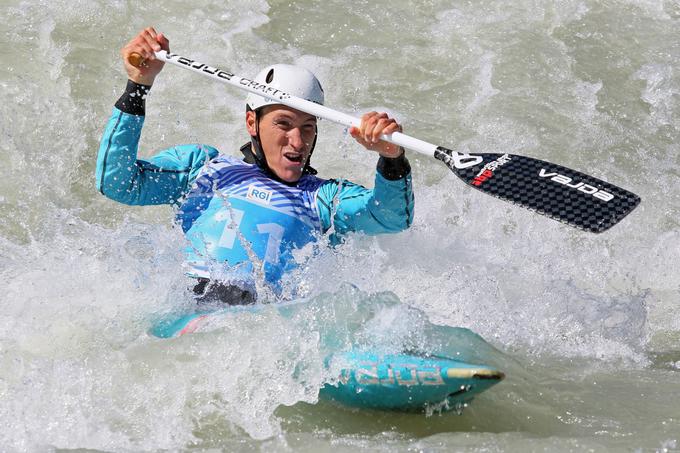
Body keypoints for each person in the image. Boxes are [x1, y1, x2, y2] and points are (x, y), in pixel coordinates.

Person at [96, 27, 414, 305]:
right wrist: (137, 87)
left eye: (307, 127)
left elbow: (390, 217)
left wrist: (391, 158)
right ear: (253, 122)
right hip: (195, 309)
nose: (298, 141)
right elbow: (118, 182)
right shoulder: (202, 169)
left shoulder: (324, 199)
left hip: (264, 324)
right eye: (284, 124)